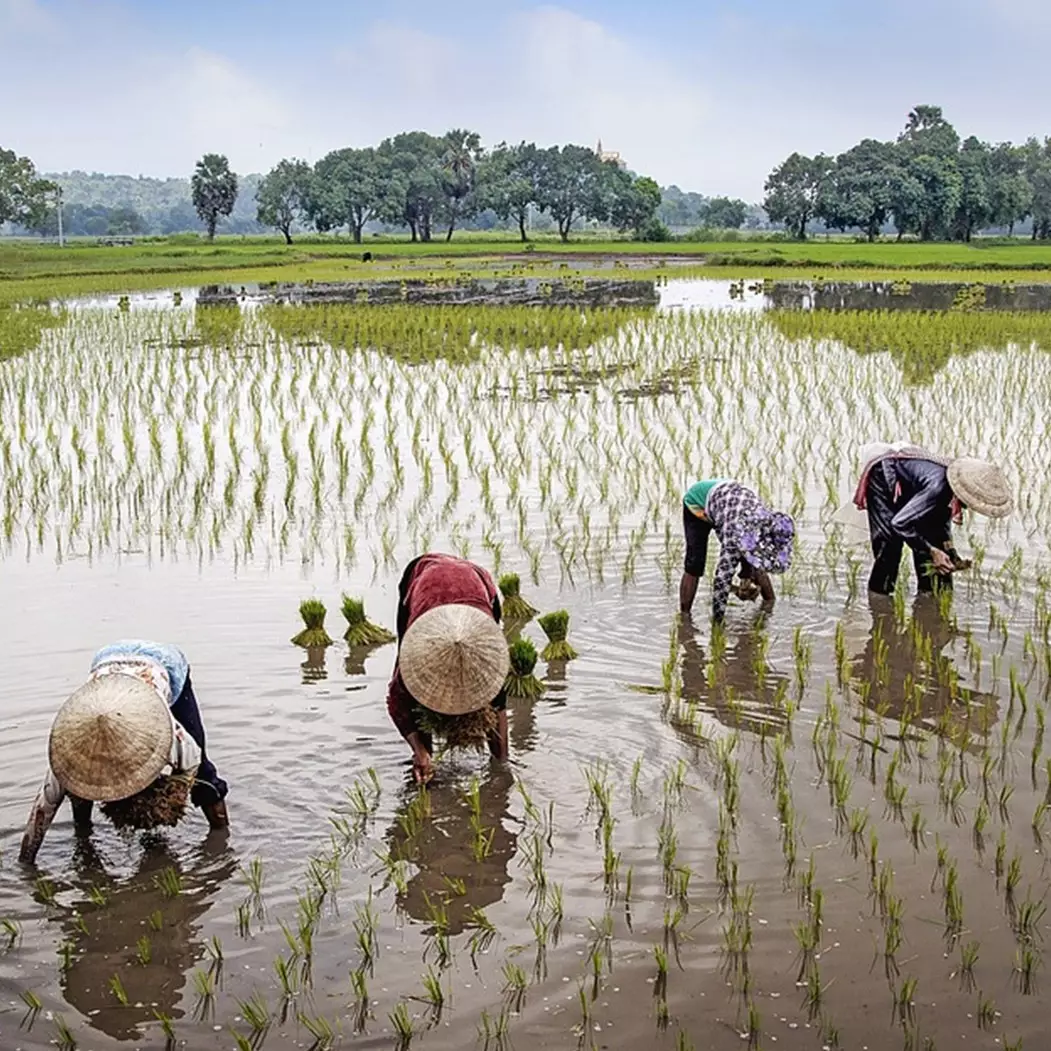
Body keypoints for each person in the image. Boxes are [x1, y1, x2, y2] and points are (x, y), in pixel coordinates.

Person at [19, 640, 229, 865]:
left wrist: (167, 799)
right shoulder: (67, 757)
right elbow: (41, 813)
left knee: (205, 775)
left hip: (165, 663)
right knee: (78, 789)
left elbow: (191, 769)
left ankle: (223, 839)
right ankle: (83, 835)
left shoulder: (174, 737)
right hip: (106, 661)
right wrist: (26, 862)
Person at [387, 553, 511, 784]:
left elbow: (498, 704)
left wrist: (502, 768)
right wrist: (419, 750)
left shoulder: (490, 658)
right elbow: (396, 702)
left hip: (476, 579)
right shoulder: (417, 654)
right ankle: (426, 761)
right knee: (414, 693)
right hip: (424, 578)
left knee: (491, 691)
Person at [852, 443, 1013, 595]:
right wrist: (932, 550)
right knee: (889, 547)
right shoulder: (938, 487)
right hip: (885, 475)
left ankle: (930, 597)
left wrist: (950, 552)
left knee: (934, 550)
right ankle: (879, 602)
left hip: (916, 486)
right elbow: (899, 523)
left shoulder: (948, 491)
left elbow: (940, 525)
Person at [679, 479, 795, 622]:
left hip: (729, 506)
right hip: (697, 503)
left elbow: (758, 557)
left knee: (756, 560)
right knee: (695, 563)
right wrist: (718, 626)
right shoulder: (734, 535)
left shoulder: (766, 521)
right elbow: (722, 579)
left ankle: (769, 605)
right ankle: (684, 617)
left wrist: (748, 576)